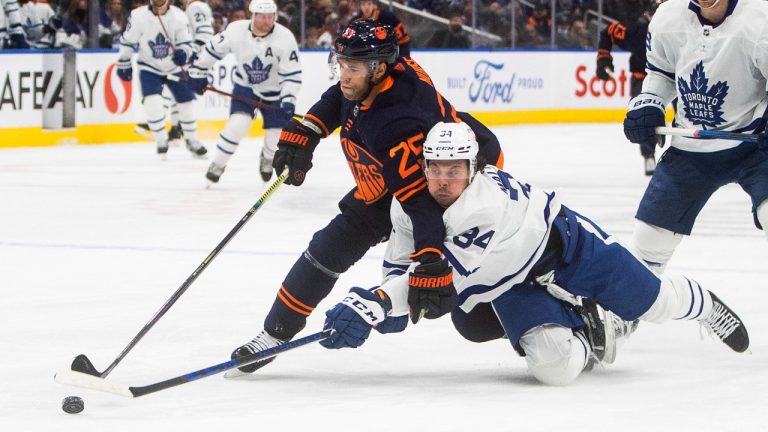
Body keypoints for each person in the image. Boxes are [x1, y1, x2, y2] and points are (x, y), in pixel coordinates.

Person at [319, 121, 750, 386]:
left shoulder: (484, 206)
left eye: (454, 171)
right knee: (556, 370)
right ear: (424, 166)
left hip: (567, 249)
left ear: (474, 169)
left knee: (653, 305)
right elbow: (402, 266)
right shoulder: (407, 204)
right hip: (508, 280)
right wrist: (378, 311)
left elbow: (444, 274)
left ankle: (699, 302)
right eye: (435, 169)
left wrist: (374, 303)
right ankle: (592, 326)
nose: (443, 181)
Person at [228, 20, 504, 374]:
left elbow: (420, 203)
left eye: (352, 68)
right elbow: (338, 97)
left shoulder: (396, 122)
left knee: (456, 281)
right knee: (326, 249)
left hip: (448, 188)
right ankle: (274, 335)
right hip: (392, 181)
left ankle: (519, 314)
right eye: (340, 64)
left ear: (379, 70)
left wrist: (430, 259)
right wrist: (310, 129)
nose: (344, 75)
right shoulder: (370, 80)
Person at [623, 0, 768, 275]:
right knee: (648, 244)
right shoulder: (668, 17)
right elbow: (660, 75)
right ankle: (629, 312)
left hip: (755, 147)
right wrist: (649, 104)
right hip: (690, 150)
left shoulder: (761, 19)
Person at [188, 0, 301, 184]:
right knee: (237, 125)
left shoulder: (285, 37)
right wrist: (198, 71)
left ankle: (267, 155)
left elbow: (292, 73)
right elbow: (212, 49)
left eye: (270, 16)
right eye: (262, 17)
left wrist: (289, 98)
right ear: (253, 16)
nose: (267, 21)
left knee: (275, 137)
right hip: (246, 87)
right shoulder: (236, 30)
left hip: (275, 92)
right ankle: (218, 163)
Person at [117, 0, 207, 158]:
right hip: (149, 67)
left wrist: (183, 53)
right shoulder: (138, 16)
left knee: (187, 103)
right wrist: (123, 62)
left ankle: (192, 140)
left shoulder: (179, 16)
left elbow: (186, 43)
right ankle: (161, 140)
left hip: (174, 68)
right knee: (153, 103)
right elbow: (128, 41)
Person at [597, 2, 657, 175]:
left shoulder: (676, 28)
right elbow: (608, 32)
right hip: (643, 79)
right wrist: (604, 58)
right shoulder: (636, 31)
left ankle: (688, 153)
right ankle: (649, 155)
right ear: (647, 14)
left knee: (685, 115)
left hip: (676, 78)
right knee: (643, 115)